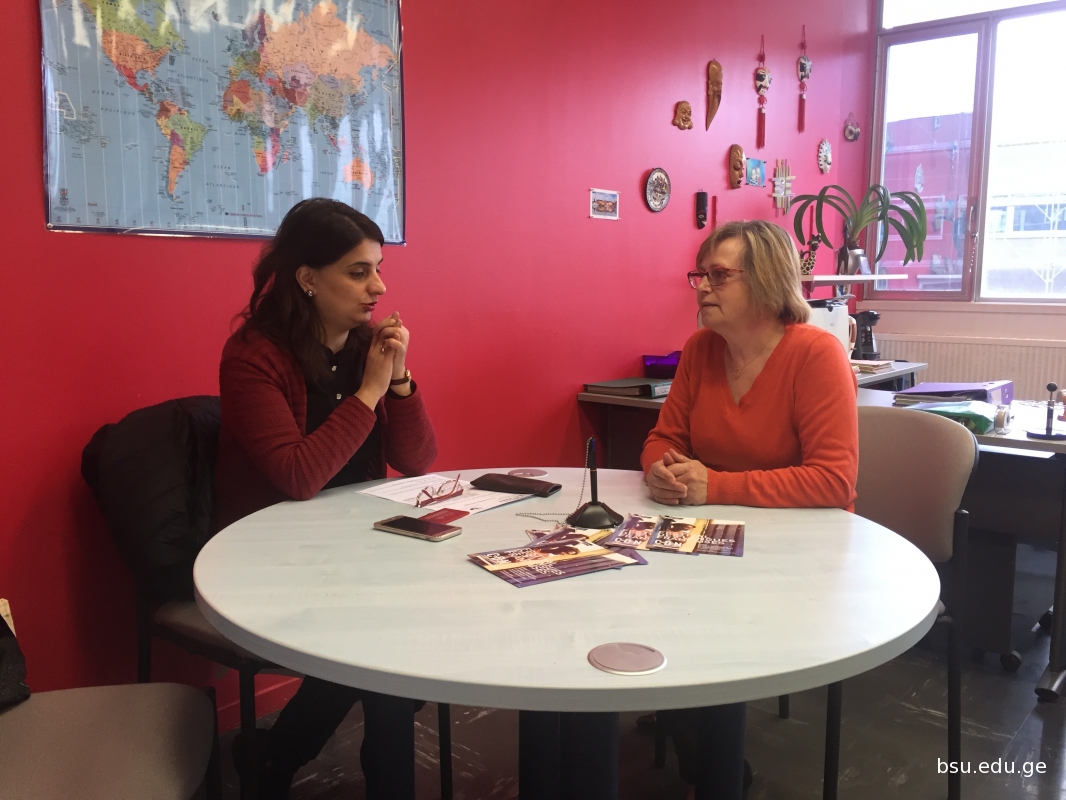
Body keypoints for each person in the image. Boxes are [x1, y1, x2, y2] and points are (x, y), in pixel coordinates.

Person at [213, 198, 438, 800]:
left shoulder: (366, 345)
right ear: (308, 278)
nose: (379, 287)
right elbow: (297, 476)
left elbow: (418, 459)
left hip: (356, 544)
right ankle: (348, 768)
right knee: (385, 642)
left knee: (415, 615)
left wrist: (398, 380)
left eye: (379, 269)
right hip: (270, 552)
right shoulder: (253, 357)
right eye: (359, 272)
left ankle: (274, 757)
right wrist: (368, 392)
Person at [641, 220, 858, 799]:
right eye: (699, 275)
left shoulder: (816, 354)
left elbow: (833, 481)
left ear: (765, 280)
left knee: (696, 620)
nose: (702, 288)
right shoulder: (700, 350)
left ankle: (711, 763)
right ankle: (687, 723)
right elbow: (663, 439)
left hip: (798, 556)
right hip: (712, 541)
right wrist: (660, 470)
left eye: (719, 276)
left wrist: (715, 485)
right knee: (635, 585)